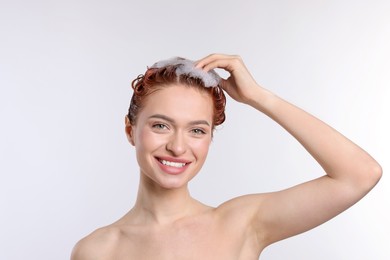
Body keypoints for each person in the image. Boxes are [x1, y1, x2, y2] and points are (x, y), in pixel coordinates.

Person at [71, 54, 382, 259]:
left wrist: (259, 96)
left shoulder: (241, 224)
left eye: (197, 130)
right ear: (130, 130)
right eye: (161, 125)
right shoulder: (97, 250)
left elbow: (360, 174)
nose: (178, 147)